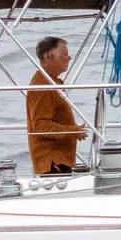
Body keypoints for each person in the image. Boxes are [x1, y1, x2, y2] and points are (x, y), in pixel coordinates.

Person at [23, 34, 84, 178]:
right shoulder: (43, 85)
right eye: (64, 54)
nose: (69, 58)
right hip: (51, 161)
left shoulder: (52, 82)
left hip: (58, 158)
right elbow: (40, 125)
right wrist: (73, 131)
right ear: (50, 55)